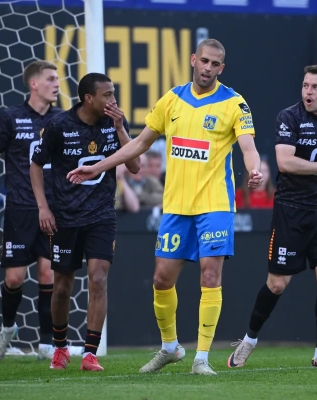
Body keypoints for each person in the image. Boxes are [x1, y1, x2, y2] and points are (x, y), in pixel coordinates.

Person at [67, 38, 263, 375]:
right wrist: (98, 166)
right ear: (193, 59)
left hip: (215, 203)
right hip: (176, 205)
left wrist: (254, 169)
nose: (208, 68)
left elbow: (248, 147)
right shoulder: (172, 99)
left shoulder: (234, 103)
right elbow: (140, 144)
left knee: (210, 275)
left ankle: (201, 358)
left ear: (222, 68)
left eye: (215, 64)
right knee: (161, 279)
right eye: (204, 61)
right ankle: (170, 348)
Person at [228, 64, 317, 369]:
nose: (308, 92)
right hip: (291, 211)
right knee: (277, 284)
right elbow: (285, 162)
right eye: (305, 85)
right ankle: (248, 341)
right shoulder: (290, 117)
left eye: (315, 87)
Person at [30, 72, 140, 371]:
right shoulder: (59, 125)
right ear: (89, 98)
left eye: (113, 93)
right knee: (62, 286)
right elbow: (36, 166)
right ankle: (60, 347)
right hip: (65, 217)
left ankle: (90, 354)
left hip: (102, 215)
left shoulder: (114, 123)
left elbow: (134, 165)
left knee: (98, 278)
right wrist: (43, 208)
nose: (113, 100)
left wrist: (120, 128)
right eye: (107, 95)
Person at [0, 60, 62, 362]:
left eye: (58, 79)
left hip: (52, 209)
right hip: (19, 209)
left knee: (47, 273)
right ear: (33, 84)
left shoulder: (61, 119)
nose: (57, 84)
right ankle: (7, 329)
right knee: (14, 278)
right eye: (50, 79)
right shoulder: (11, 116)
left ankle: (47, 343)